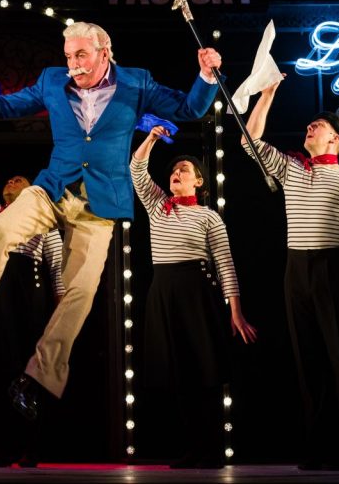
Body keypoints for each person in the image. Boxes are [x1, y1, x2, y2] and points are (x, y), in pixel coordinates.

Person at [0, 21, 223, 420]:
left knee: (80, 293)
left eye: (81, 55)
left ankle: (36, 377)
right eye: (68, 56)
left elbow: (190, 109)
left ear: (104, 52)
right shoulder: (52, 81)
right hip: (53, 187)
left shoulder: (136, 83)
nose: (73, 64)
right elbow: (7, 106)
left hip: (99, 204)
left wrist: (205, 75)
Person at [243, 76, 339, 471]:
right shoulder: (292, 168)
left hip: (333, 267)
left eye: (320, 125)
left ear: (336, 139)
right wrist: (269, 94)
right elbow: (249, 141)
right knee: (307, 359)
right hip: (296, 269)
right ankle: (317, 445)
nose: (310, 126)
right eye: (310, 123)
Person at [130, 126, 257, 469]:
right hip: (163, 290)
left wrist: (237, 312)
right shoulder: (158, 206)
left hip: (196, 291)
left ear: (198, 182)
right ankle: (192, 447)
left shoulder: (208, 216)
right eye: (173, 171)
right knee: (177, 374)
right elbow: (136, 169)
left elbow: (226, 265)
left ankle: (212, 448)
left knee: (204, 370)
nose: (176, 173)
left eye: (184, 170)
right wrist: (153, 138)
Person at [0, 115, 65, 467]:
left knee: (31, 369)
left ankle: (33, 446)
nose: (12, 179)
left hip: (29, 290)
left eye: (22, 179)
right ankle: (5, 446)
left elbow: (57, 269)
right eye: (10, 178)